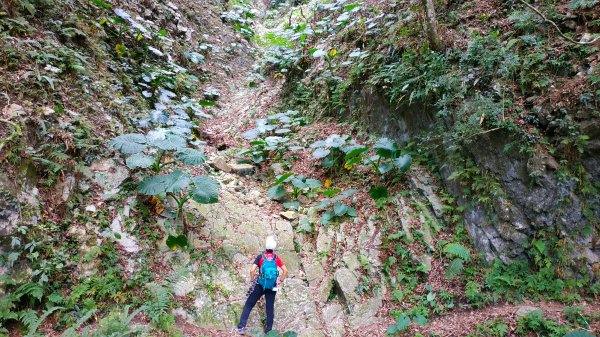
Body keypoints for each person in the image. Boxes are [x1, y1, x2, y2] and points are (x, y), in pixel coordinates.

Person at [236, 236, 288, 335]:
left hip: (260, 284)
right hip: (272, 286)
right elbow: (285, 270)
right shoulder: (276, 258)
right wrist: (280, 280)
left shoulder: (260, 257)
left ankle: (241, 327)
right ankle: (269, 332)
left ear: (265, 246)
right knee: (270, 308)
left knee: (249, 304)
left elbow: (252, 270)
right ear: (274, 248)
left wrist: (252, 281)